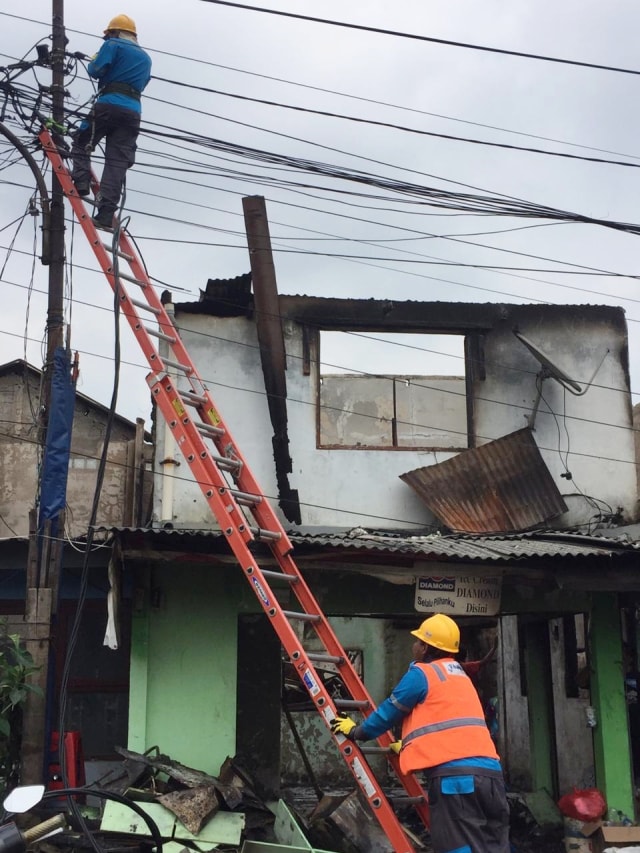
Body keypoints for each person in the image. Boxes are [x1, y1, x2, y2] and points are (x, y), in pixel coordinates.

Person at [331, 613, 510, 853]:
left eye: (417, 641)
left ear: (425, 647)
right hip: (491, 777)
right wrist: (410, 747)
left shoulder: (422, 674)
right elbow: (449, 724)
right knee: (494, 846)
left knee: (457, 846)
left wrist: (356, 731)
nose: (413, 645)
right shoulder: (461, 677)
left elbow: (388, 713)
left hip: (456, 781)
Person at [71, 14, 152, 229]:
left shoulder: (113, 45)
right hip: (133, 112)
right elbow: (143, 83)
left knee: (81, 140)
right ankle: (106, 214)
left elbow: (95, 70)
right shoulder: (146, 58)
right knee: (117, 162)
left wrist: (96, 57)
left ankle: (81, 182)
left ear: (114, 32)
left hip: (108, 104)